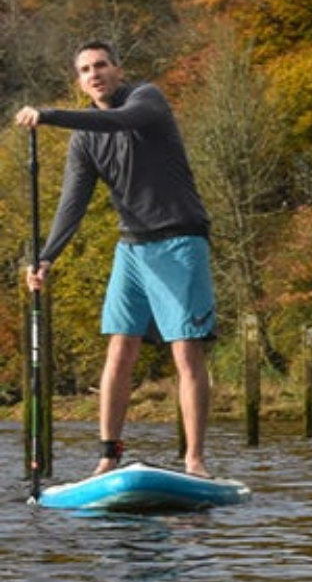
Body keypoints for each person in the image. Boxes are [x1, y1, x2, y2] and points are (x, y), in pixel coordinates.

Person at [15, 40, 215, 478]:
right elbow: (73, 203)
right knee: (119, 350)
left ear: (118, 70)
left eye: (101, 65)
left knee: (186, 353)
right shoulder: (84, 141)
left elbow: (121, 122)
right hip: (131, 248)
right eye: (85, 69)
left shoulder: (147, 100)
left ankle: (195, 461)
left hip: (180, 239)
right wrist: (46, 258)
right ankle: (108, 456)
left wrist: (48, 116)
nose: (94, 73)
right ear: (80, 81)